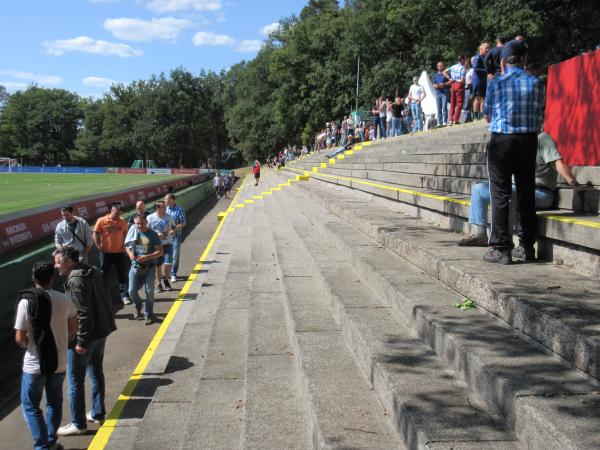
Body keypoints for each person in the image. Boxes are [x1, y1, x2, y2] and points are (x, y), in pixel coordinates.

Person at [458, 132, 583, 248]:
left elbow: (557, 163)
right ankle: (481, 235)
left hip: (540, 193)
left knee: (508, 194)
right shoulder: (515, 141)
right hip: (516, 188)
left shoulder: (543, 139)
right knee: (478, 189)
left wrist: (573, 183)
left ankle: (505, 241)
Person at [482, 40, 545, 264]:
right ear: (524, 60)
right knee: (526, 190)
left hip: (502, 141)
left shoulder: (496, 84)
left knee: (500, 193)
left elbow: (487, 114)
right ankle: (526, 247)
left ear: (503, 62)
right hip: (528, 141)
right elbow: (540, 113)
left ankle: (501, 248)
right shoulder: (537, 83)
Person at [54, 246, 116, 436]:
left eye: (58, 262)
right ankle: (97, 413)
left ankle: (78, 423)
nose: (56, 266)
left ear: (69, 262)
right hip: (101, 331)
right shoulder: (92, 270)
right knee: (96, 372)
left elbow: (82, 313)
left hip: (86, 338)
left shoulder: (75, 280)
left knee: (75, 381)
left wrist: (81, 341)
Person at [15, 261, 77, 450]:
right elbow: (73, 329)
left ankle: (42, 445)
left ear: (34, 278)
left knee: (31, 406)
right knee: (54, 402)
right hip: (59, 362)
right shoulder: (65, 299)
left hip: (34, 364)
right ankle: (51, 440)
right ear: (52, 277)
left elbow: (19, 337)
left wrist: (31, 347)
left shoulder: (26, 302)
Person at [125, 213, 163, 325]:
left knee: (150, 292)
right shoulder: (133, 232)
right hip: (135, 267)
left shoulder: (152, 235)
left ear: (146, 222)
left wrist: (146, 257)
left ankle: (149, 314)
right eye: (137, 224)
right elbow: (127, 246)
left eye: (141, 223)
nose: (139, 226)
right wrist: (130, 254)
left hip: (149, 268)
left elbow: (160, 252)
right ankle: (138, 304)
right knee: (131, 291)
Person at [93, 202, 130, 305]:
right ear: (111, 210)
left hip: (119, 253)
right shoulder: (102, 220)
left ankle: (124, 295)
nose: (119, 216)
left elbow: (126, 234)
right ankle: (104, 296)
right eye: (117, 213)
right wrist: (99, 247)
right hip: (106, 254)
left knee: (122, 275)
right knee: (104, 275)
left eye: (120, 214)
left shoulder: (122, 221)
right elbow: (95, 233)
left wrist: (124, 246)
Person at [147, 201, 175, 292]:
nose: (165, 208)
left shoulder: (169, 216)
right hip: (156, 246)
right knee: (158, 265)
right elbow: (147, 231)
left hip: (168, 243)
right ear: (157, 208)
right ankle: (159, 284)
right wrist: (156, 235)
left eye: (165, 206)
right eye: (163, 207)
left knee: (168, 264)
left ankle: (166, 280)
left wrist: (171, 232)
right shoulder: (150, 218)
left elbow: (173, 227)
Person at [165, 193, 186, 283]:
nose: (166, 201)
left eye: (167, 199)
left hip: (175, 236)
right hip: (165, 237)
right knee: (165, 256)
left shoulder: (179, 210)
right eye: (165, 199)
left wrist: (175, 228)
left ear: (172, 200)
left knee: (175, 255)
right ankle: (166, 274)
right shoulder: (164, 210)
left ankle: (173, 274)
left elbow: (183, 223)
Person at [444, 55, 466, 126]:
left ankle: (450, 120)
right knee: (459, 103)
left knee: (452, 103)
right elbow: (462, 80)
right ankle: (456, 119)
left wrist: (449, 78)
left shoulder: (453, 66)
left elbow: (444, 72)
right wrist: (465, 83)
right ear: (462, 60)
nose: (465, 61)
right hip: (459, 84)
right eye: (464, 59)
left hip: (453, 84)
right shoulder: (462, 68)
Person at [472, 43, 490, 120]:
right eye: (486, 48)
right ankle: (475, 117)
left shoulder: (485, 58)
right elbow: (475, 69)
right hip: (477, 81)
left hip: (483, 81)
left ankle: (482, 116)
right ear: (481, 49)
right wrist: (486, 71)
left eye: (489, 48)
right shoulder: (477, 57)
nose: (488, 50)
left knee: (483, 98)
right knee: (477, 98)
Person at [433, 61, 451, 126]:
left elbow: (451, 81)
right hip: (438, 93)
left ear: (443, 66)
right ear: (437, 67)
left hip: (444, 93)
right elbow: (433, 84)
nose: (440, 67)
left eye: (442, 66)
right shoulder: (435, 75)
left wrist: (444, 84)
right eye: (439, 66)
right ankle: (440, 122)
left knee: (444, 107)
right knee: (439, 108)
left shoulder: (446, 74)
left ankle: (445, 121)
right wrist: (436, 86)